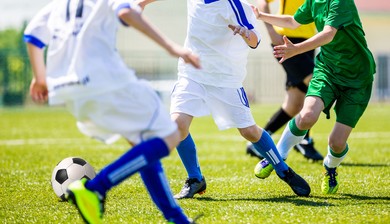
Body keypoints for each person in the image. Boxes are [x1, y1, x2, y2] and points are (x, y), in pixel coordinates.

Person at [24, 0, 215, 224]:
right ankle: (96, 189)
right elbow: (125, 11)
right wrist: (173, 48)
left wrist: (40, 78)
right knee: (170, 135)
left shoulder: (59, 5)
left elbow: (32, 36)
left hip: (69, 91)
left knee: (142, 146)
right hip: (106, 82)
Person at [143, 0, 311, 199]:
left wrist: (245, 34)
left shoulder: (235, 5)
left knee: (249, 131)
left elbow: (255, 40)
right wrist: (142, 3)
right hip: (192, 73)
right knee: (177, 126)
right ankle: (195, 178)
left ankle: (283, 170)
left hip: (225, 78)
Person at [252, 0, 376, 194]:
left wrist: (296, 50)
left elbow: (328, 34)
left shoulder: (340, 2)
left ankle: (330, 168)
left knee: (336, 143)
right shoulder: (313, 1)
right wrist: (262, 16)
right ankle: (277, 155)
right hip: (327, 71)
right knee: (307, 114)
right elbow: (293, 21)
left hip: (357, 79)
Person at [246, 0, 323, 162]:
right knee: (315, 82)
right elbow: (263, 2)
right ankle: (303, 140)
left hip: (308, 42)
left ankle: (257, 143)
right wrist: (271, 31)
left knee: (294, 103)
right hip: (287, 40)